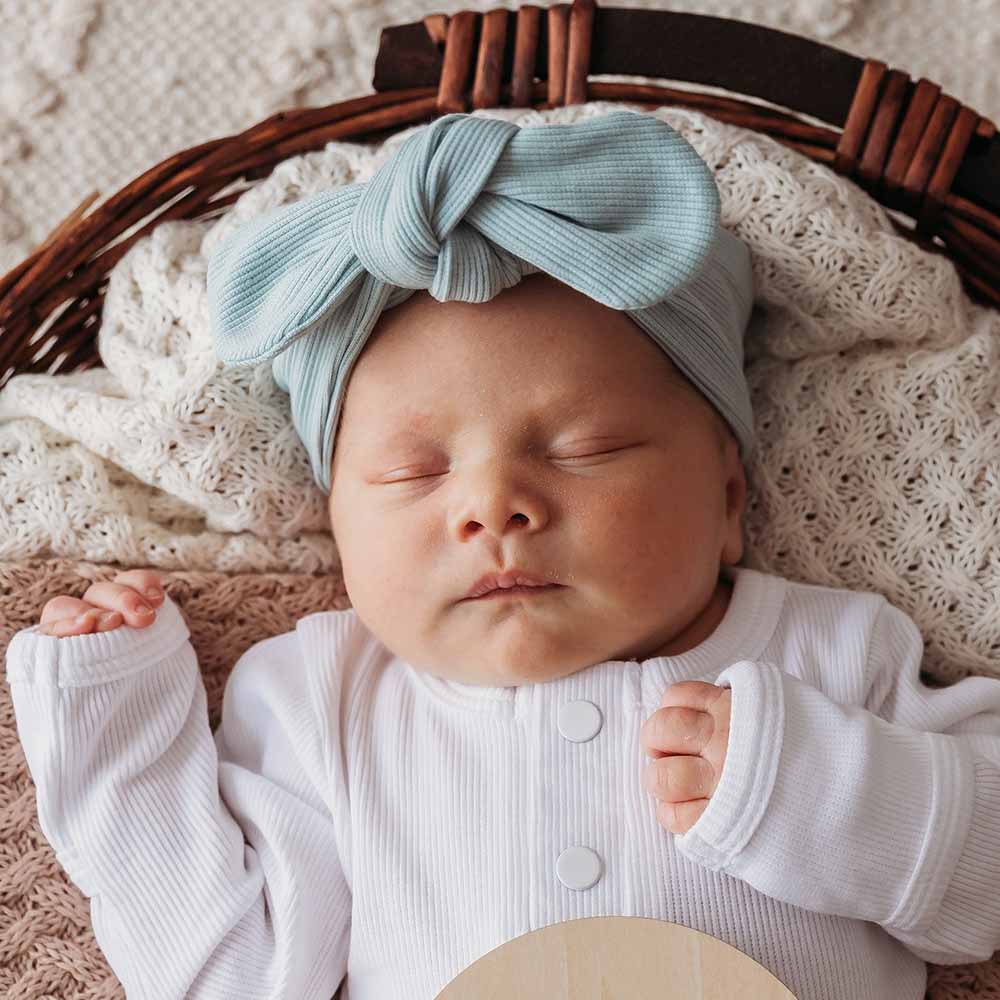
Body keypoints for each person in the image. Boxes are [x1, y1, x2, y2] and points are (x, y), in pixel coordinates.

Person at [6, 109, 1000, 1000]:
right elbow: (226, 976)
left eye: (585, 450)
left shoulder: (831, 651)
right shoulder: (323, 699)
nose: (492, 505)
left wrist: (822, 787)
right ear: (336, 524)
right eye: (412, 471)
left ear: (729, 496)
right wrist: (120, 735)